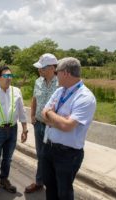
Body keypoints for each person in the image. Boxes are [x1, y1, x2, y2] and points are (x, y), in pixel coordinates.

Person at [41, 57, 96, 200]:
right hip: (49, 147)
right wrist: (58, 119)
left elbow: (67, 126)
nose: (55, 75)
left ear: (65, 73)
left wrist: (51, 114)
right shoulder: (60, 91)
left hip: (68, 155)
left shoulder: (85, 97)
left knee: (64, 192)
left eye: (56, 72)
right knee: (50, 186)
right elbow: (43, 113)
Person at [0, 66, 28, 195]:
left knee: (8, 159)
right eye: (6, 76)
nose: (9, 79)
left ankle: (4, 180)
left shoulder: (16, 91)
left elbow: (22, 111)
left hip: (12, 129)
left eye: (10, 76)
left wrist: (25, 129)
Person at [25, 53, 58, 193]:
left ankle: (53, 184)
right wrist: (32, 116)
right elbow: (34, 99)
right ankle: (39, 181)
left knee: (53, 157)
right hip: (38, 124)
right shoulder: (38, 81)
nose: (39, 70)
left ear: (51, 68)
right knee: (41, 155)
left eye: (42, 68)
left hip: (54, 128)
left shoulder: (61, 84)